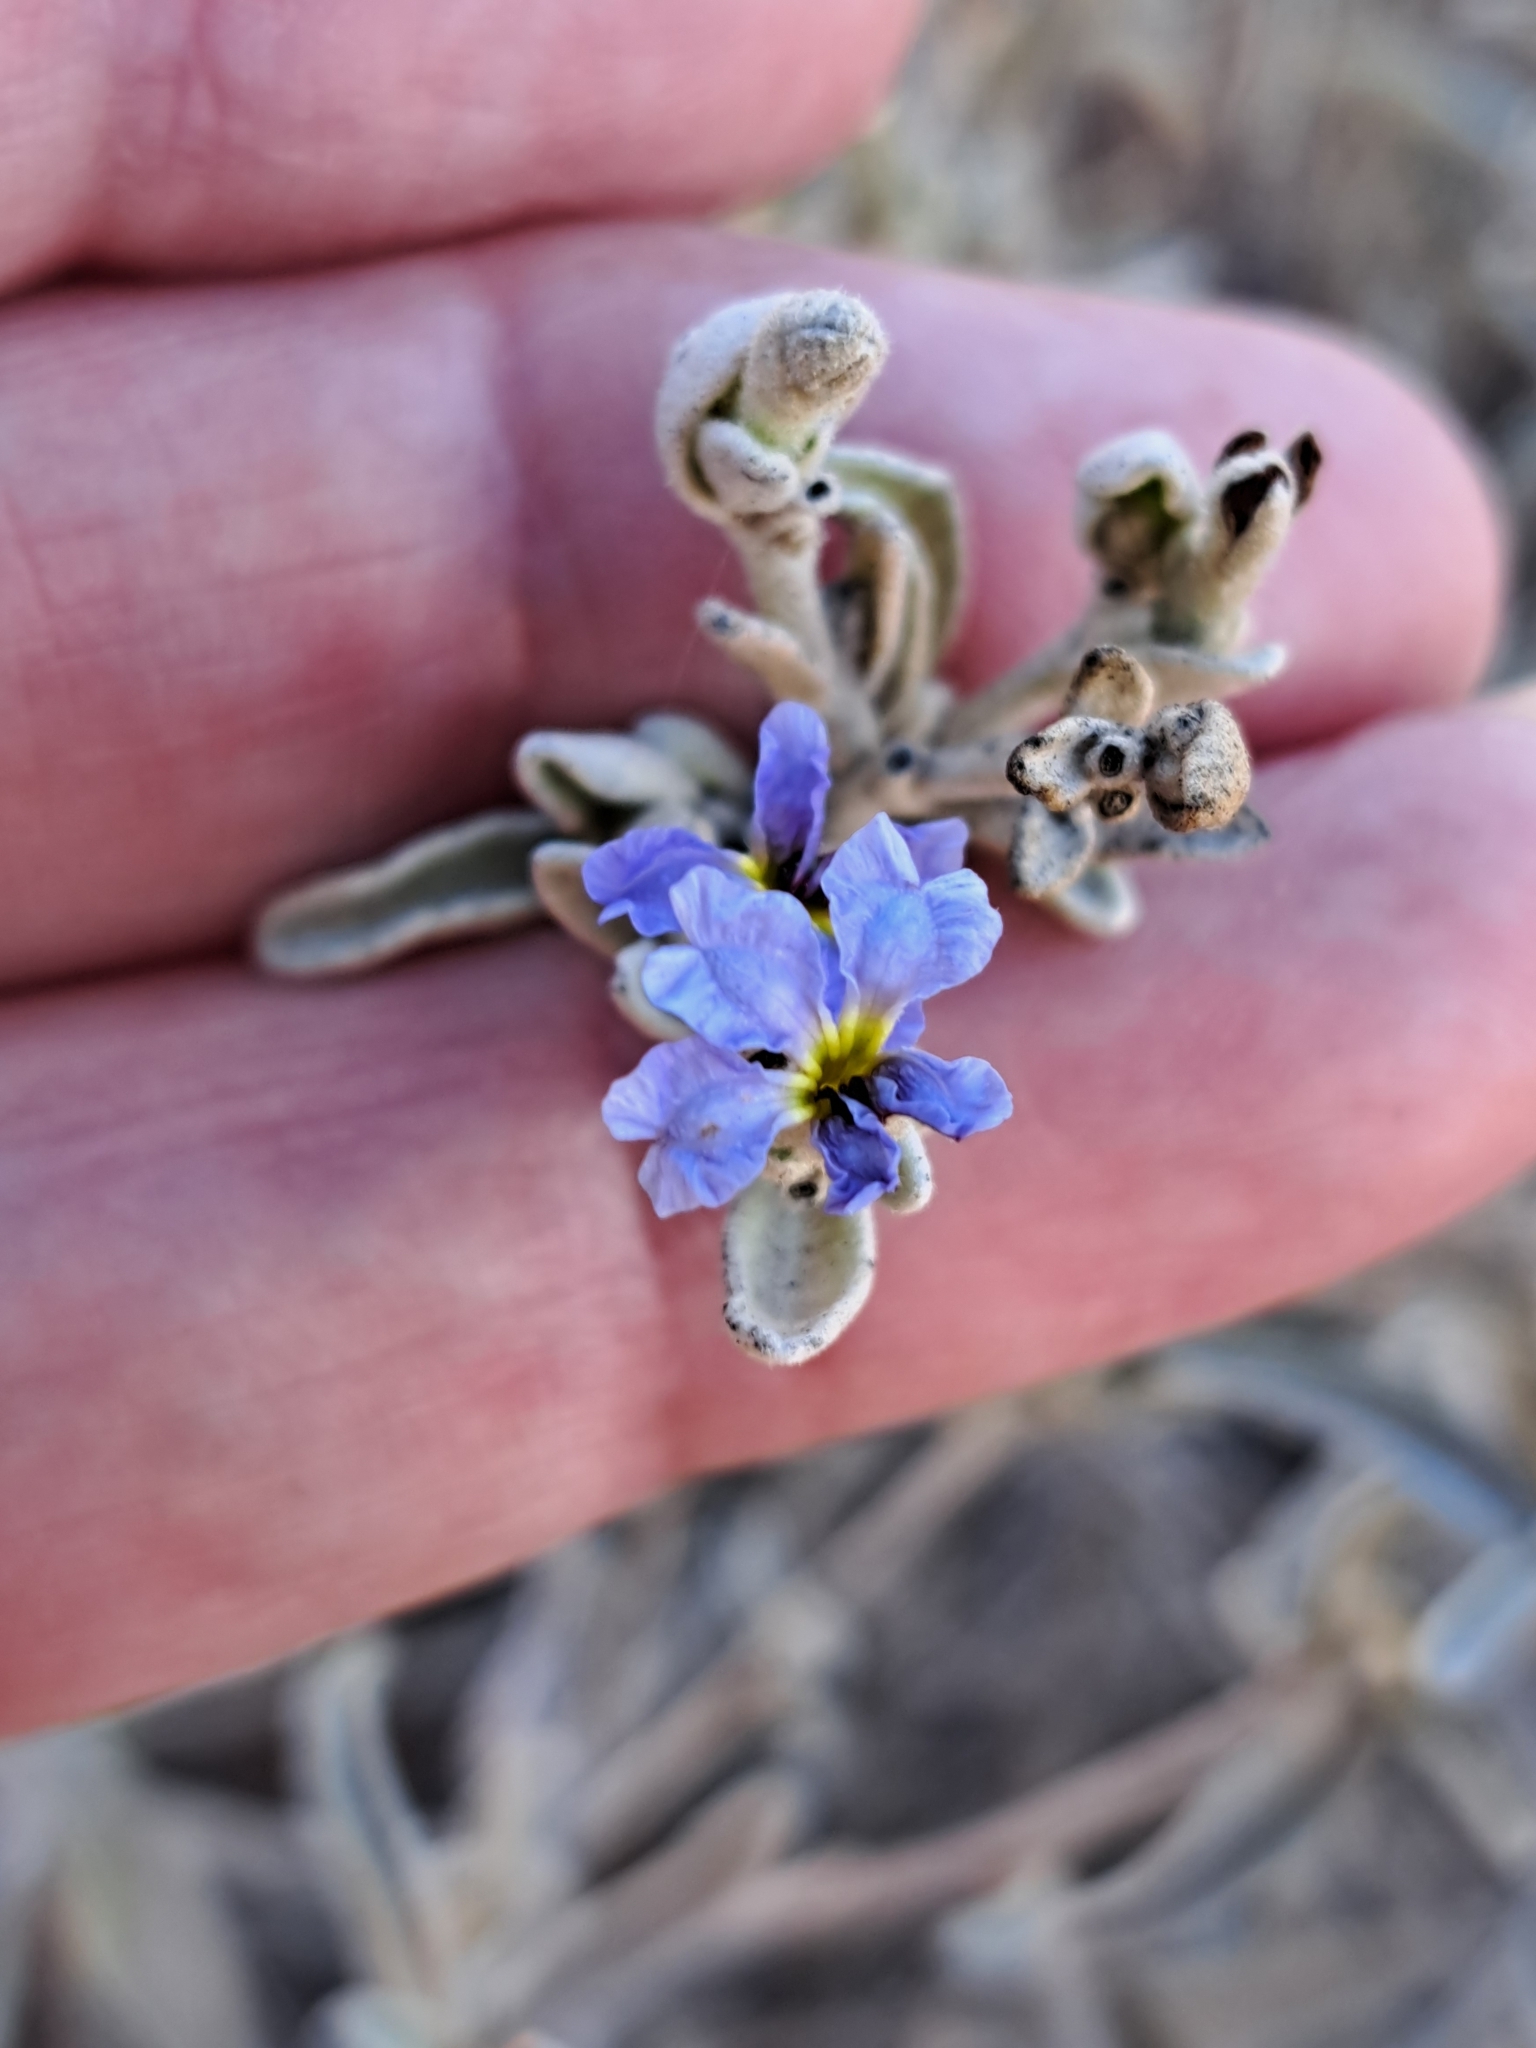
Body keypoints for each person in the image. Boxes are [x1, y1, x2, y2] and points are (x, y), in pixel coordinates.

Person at [1, 0, 1531, 1740]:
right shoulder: (840, 971)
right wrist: (792, 567)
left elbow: (860, 915)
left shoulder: (858, 1010)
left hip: (785, 877)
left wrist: (1066, 744)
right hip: (760, 854)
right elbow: (825, 842)